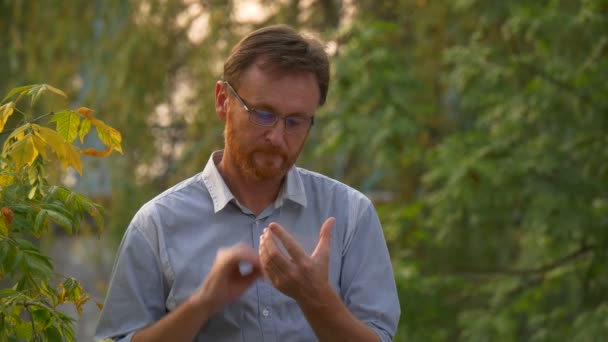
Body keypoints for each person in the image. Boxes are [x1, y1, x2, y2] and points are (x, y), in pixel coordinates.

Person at [95, 24, 400, 342]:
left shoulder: (350, 216)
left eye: (295, 121)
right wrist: (202, 304)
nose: (277, 137)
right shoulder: (156, 225)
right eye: (263, 114)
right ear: (222, 101)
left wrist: (315, 298)